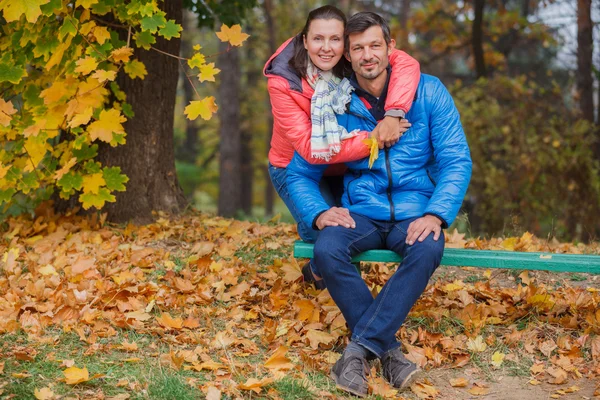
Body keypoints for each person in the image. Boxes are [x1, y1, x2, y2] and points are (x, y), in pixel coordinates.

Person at [286, 12, 472, 397]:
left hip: (414, 211)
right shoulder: (331, 101)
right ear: (347, 56)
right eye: (357, 48)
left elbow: (456, 159)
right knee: (328, 248)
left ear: (390, 47)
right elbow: (298, 172)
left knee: (427, 247)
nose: (367, 55)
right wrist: (319, 212)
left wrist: (437, 213)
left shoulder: (429, 91)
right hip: (362, 211)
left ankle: (356, 354)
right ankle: (387, 352)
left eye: (374, 45)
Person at [263, 5, 420, 247]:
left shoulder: (352, 59)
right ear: (305, 41)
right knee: (324, 230)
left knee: (355, 229)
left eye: (335, 39)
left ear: (345, 45)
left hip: (345, 166)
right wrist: (374, 140)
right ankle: (314, 265)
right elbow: (308, 148)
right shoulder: (284, 81)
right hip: (296, 168)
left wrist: (394, 113)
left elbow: (406, 64)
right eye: (318, 39)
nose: (326, 48)